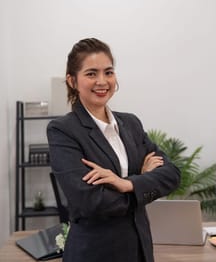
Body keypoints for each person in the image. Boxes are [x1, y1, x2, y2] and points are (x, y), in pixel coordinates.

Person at [47, 38, 180, 262]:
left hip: (140, 251)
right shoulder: (63, 130)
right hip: (95, 253)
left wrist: (126, 183)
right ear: (72, 80)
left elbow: (172, 175)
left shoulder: (131, 124)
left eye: (108, 72)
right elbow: (90, 202)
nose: (102, 81)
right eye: (91, 73)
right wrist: (144, 180)